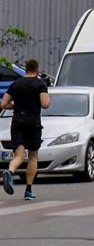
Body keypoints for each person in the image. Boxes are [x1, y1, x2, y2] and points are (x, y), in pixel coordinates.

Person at [1, 58, 52, 201]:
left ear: (26, 69)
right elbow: (45, 104)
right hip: (33, 124)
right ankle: (28, 190)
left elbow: (3, 104)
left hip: (17, 123)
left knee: (19, 155)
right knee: (33, 156)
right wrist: (49, 98)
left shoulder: (15, 84)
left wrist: (15, 106)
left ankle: (10, 172)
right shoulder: (40, 84)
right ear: (37, 69)